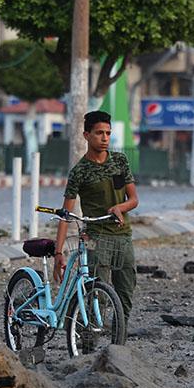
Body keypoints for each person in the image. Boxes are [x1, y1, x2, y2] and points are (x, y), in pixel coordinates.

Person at [54, 111, 139, 329]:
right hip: (95, 238)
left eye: (108, 133)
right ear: (86, 135)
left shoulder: (120, 161)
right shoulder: (79, 172)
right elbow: (66, 215)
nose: (104, 138)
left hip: (122, 237)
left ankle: (118, 346)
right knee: (95, 296)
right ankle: (88, 346)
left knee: (125, 294)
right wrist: (58, 253)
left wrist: (119, 207)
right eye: (99, 133)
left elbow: (134, 199)